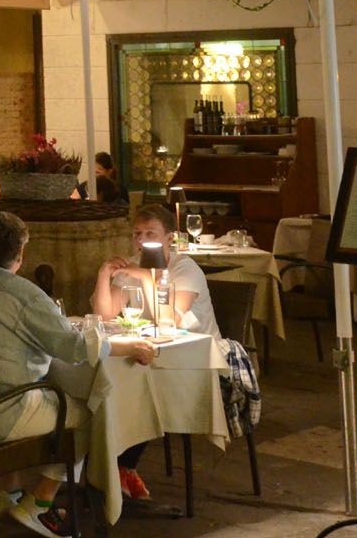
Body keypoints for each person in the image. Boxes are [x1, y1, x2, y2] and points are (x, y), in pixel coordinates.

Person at [0, 212, 156, 537]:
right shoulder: (22, 294)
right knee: (88, 410)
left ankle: (9, 494)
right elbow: (73, 347)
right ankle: (40, 503)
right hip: (0, 411)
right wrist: (129, 346)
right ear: (20, 253)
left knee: (45, 391)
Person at [92, 204, 219, 500]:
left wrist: (148, 277)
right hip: (150, 355)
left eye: (150, 233)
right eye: (137, 234)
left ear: (169, 238)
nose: (141, 240)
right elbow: (104, 315)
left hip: (196, 360)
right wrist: (104, 274)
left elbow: (169, 320)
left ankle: (119, 467)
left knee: (136, 387)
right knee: (112, 384)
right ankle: (113, 468)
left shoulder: (184, 269)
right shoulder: (133, 265)